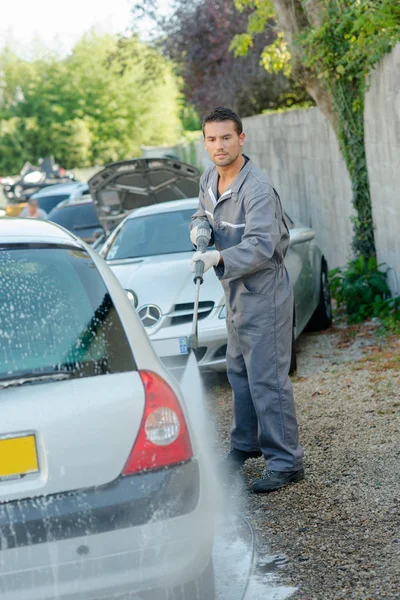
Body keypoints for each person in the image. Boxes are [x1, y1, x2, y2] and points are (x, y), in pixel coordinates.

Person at [190, 106, 304, 493]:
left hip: (264, 294)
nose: (218, 145)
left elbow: (260, 246)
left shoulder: (256, 189)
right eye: (211, 138)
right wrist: (200, 232)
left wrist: (218, 257)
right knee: (238, 373)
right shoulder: (209, 178)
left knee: (267, 380)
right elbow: (200, 214)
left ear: (241, 139)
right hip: (235, 293)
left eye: (226, 137)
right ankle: (245, 445)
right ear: (204, 142)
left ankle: (286, 462)